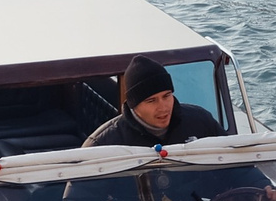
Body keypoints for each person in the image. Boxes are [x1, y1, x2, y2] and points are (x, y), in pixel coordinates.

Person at [84, 55, 225, 148]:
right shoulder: (102, 144)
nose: (163, 107)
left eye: (166, 96)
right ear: (133, 105)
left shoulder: (202, 122)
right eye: (151, 101)